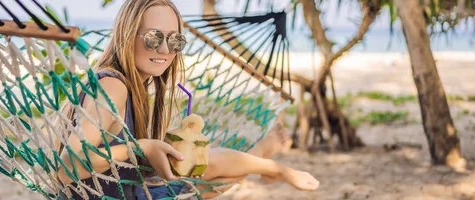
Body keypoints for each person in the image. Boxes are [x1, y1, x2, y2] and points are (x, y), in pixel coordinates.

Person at [56, 0, 319, 199]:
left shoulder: (128, 85)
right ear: (127, 35)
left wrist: (148, 150)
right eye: (153, 37)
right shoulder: (113, 85)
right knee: (211, 172)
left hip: (130, 193)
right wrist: (142, 148)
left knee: (205, 169)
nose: (164, 49)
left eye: (174, 40)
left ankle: (264, 162)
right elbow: (68, 167)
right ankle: (270, 164)